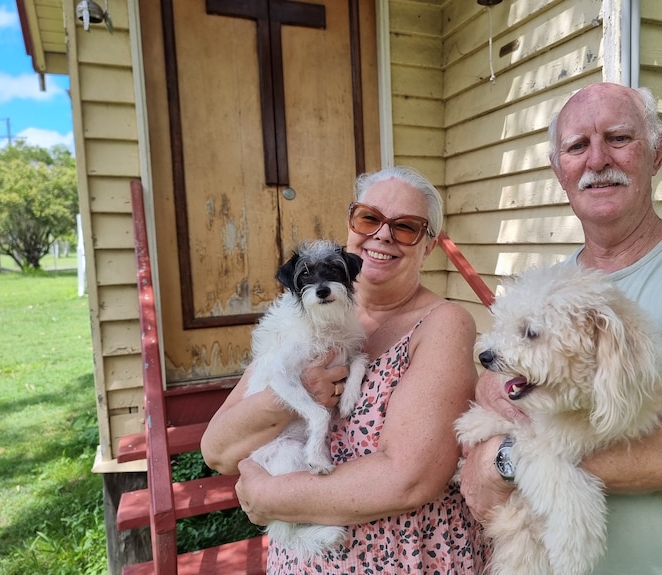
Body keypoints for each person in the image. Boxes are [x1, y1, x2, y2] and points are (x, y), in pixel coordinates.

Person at [458, 82, 662, 574]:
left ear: (656, 154)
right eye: (576, 146)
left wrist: (510, 461)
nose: (596, 160)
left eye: (618, 138)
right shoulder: (554, 286)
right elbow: (494, 386)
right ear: (558, 170)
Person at [201, 166, 488, 574]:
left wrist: (274, 496)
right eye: (370, 218)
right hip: (305, 561)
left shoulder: (443, 323)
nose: (383, 235)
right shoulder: (298, 323)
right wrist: (297, 393)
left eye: (406, 227)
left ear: (429, 247)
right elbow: (217, 449)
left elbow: (409, 480)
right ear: (351, 227)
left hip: (404, 559)